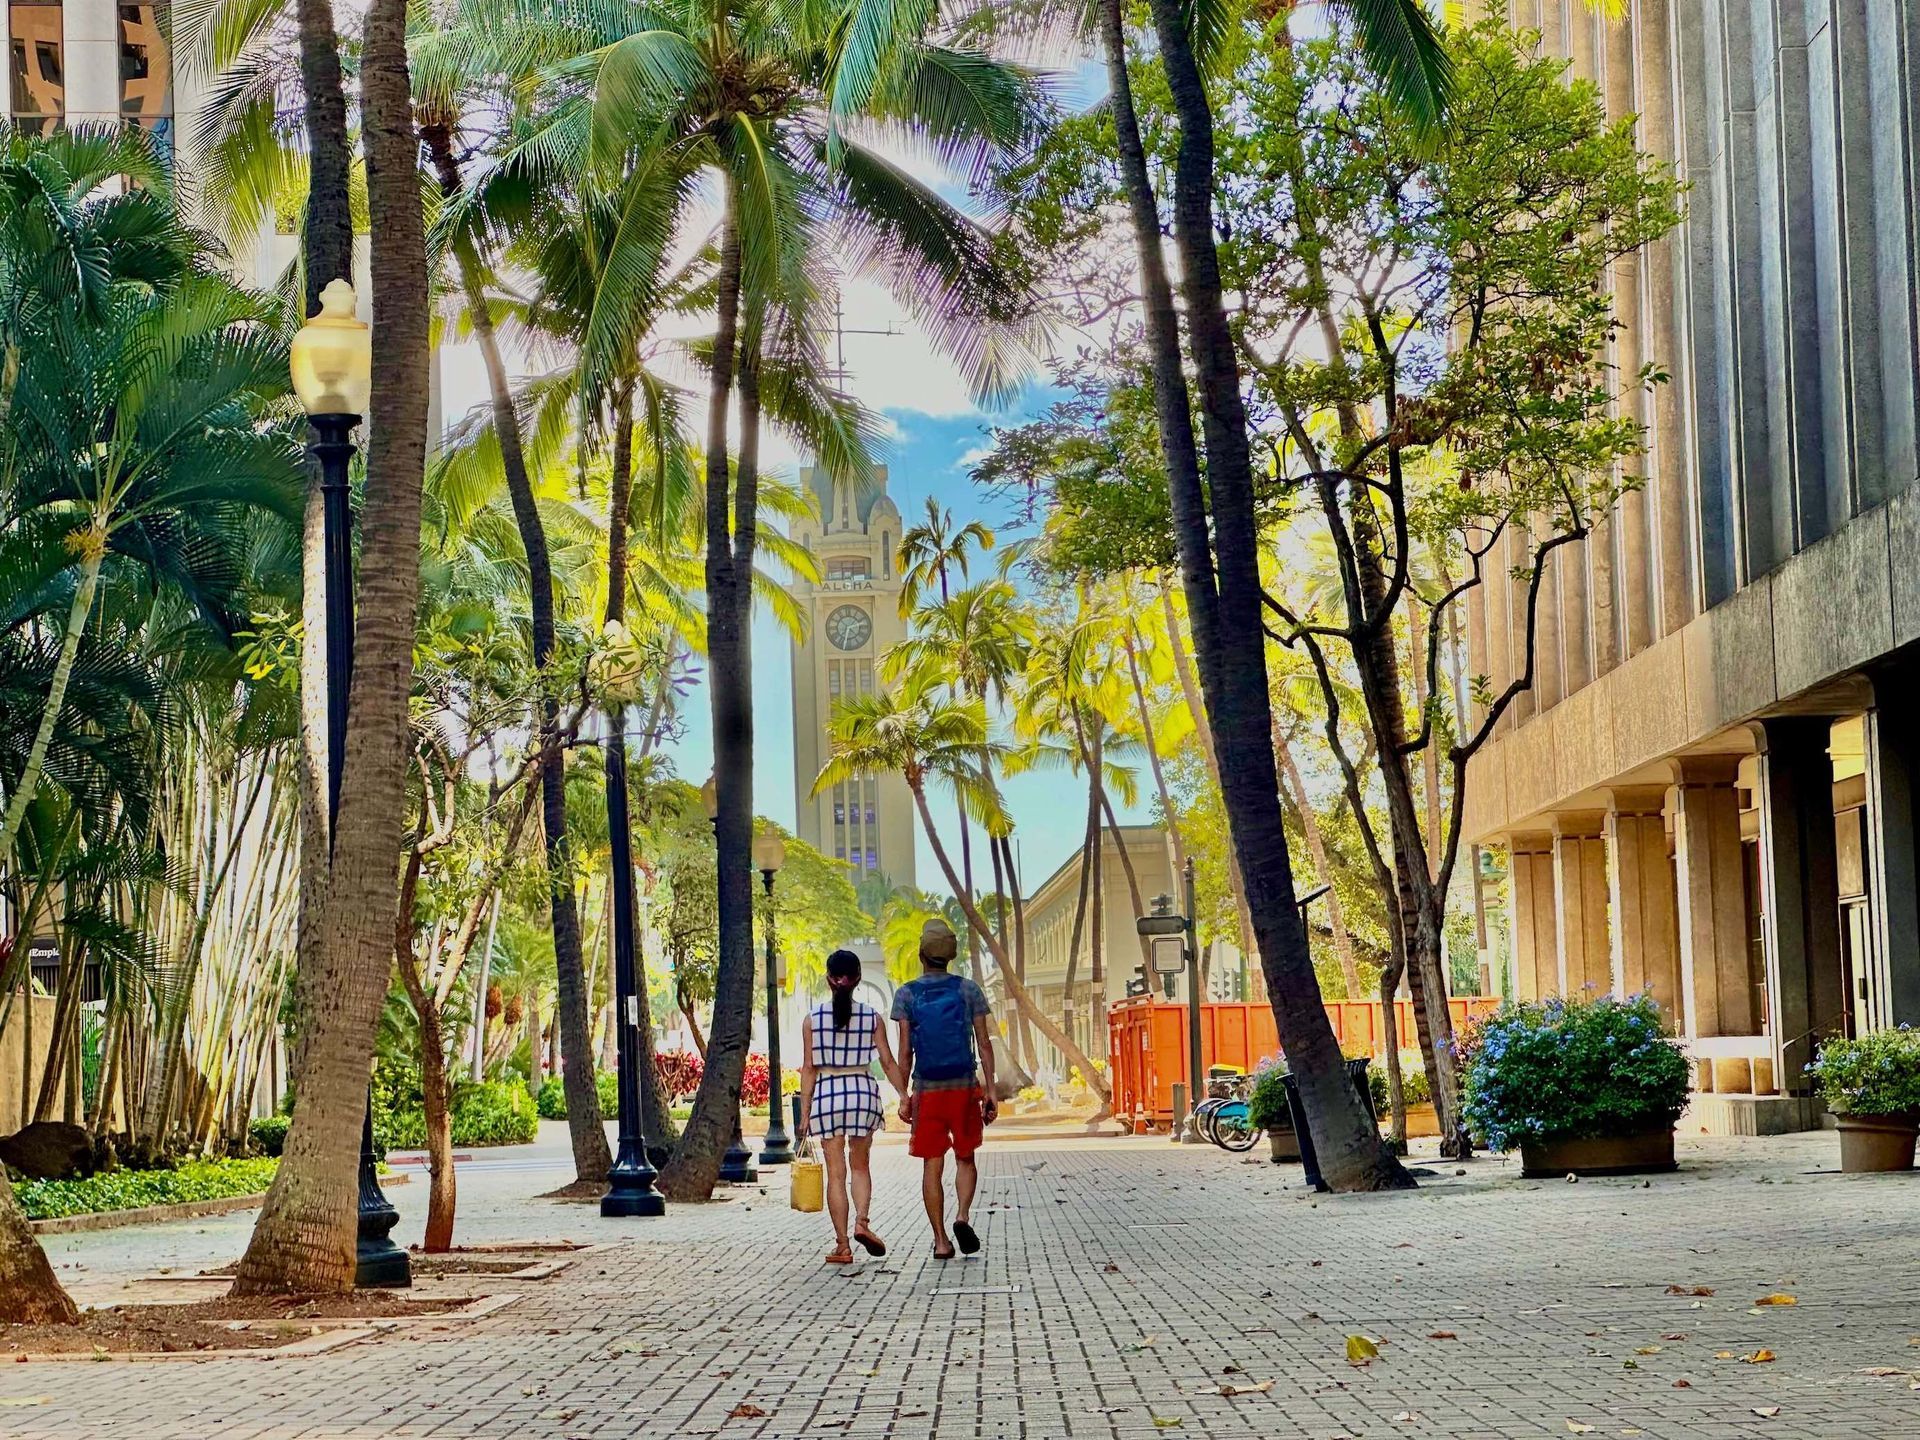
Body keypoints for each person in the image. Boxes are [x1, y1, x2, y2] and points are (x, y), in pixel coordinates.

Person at [892, 919, 997, 1260]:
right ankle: (962, 1216)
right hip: (963, 1087)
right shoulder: (968, 990)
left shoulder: (907, 993)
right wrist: (990, 1090)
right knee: (965, 1157)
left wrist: (904, 1095)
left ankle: (940, 1241)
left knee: (931, 1165)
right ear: (950, 956)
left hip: (928, 1089)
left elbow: (905, 1050)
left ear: (922, 954)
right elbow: (984, 1044)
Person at [798, 949, 905, 1265]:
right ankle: (862, 1221)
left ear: (829, 979)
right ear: (857, 979)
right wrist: (904, 1094)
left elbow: (808, 1068)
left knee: (836, 1173)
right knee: (860, 1166)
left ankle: (843, 1245)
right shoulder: (872, 1018)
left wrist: (804, 1114)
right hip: (862, 1094)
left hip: (828, 1095)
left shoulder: (811, 1020)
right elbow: (886, 1060)